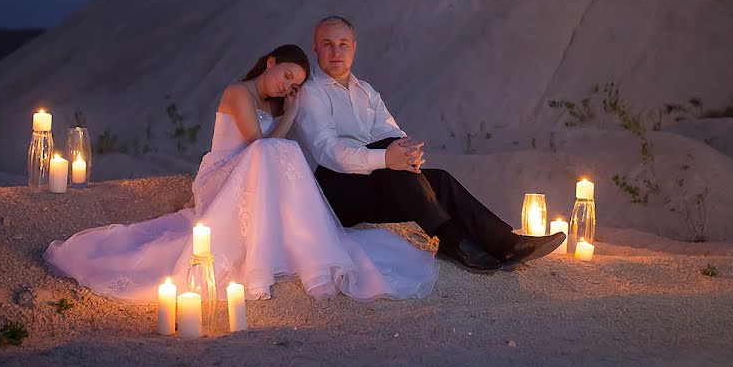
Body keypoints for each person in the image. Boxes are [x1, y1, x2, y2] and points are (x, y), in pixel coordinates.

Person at [44, 44, 438, 303]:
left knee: (281, 150)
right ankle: (270, 265)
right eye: (287, 76)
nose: (288, 87)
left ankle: (303, 246)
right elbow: (255, 142)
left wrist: (290, 112)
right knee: (275, 149)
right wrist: (293, 115)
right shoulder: (238, 92)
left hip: (255, 170)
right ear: (270, 63)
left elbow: (272, 147)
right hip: (224, 173)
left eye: (296, 85)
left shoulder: (275, 104)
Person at [294, 17, 565, 273]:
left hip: (376, 183)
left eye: (343, 44)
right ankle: (451, 239)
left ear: (354, 48)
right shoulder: (311, 93)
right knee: (392, 157)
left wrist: (407, 154)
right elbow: (327, 151)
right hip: (334, 191)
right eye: (327, 44)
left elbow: (389, 129)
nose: (336, 51)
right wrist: (387, 159)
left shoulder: (365, 90)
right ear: (316, 48)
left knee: (440, 180)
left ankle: (505, 243)